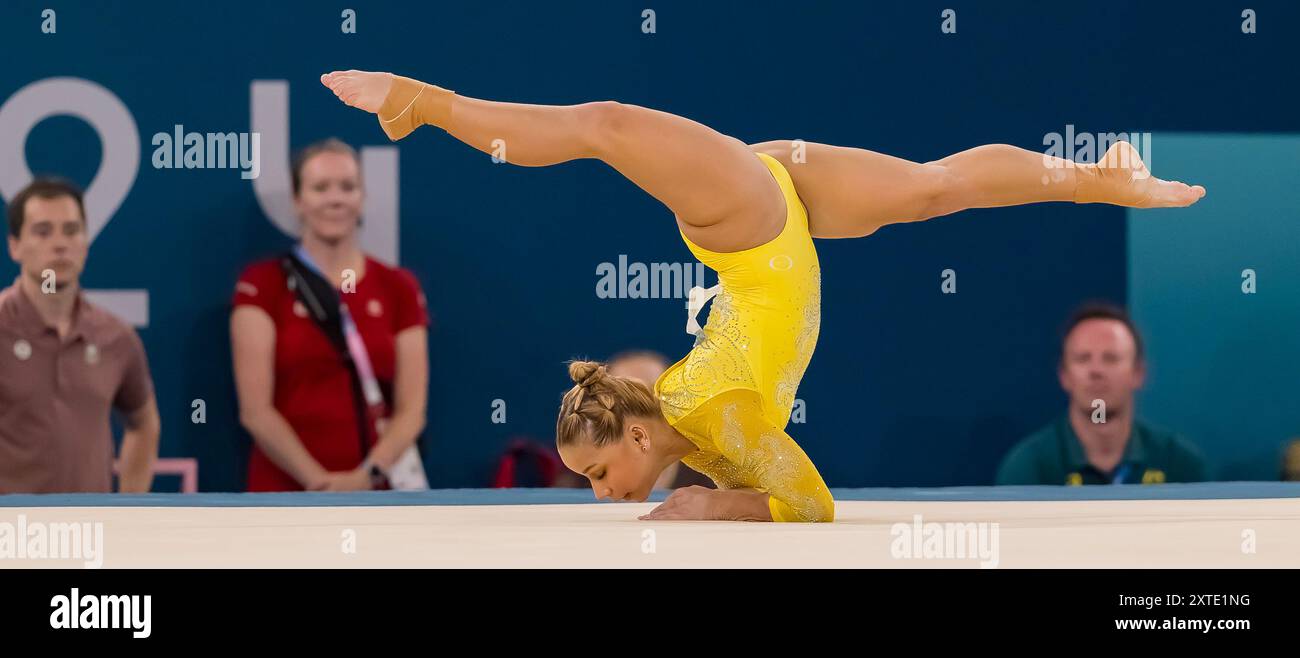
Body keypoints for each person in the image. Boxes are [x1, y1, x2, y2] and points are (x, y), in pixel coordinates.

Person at [320, 70, 1204, 520]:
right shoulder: (700, 430)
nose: (598, 493)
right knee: (938, 188)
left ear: (635, 435)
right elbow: (793, 498)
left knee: (604, 127)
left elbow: (807, 505)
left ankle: (417, 102)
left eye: (597, 472)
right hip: (783, 213)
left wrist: (711, 505)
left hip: (742, 225)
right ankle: (1100, 178)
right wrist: (716, 496)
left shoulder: (709, 415)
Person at [232, 139, 429, 491]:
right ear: (298, 200)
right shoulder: (262, 285)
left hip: (377, 493)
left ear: (362, 197)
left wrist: (365, 476)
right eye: (320, 188)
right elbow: (255, 411)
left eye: (347, 187)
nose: (335, 198)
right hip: (284, 493)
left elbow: (412, 410)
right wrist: (319, 484)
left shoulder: (398, 286)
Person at [0, 177, 159, 493]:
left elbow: (144, 424)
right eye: (43, 232)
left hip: (91, 535)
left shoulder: (116, 337)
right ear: (14, 246)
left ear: (85, 243)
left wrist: (128, 510)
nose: (60, 244)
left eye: (72, 231)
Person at [997, 303, 1210, 486]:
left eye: (1110, 358)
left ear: (1138, 373)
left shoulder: (1179, 464)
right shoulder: (1029, 468)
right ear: (1064, 375)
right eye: (1083, 358)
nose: (1096, 370)